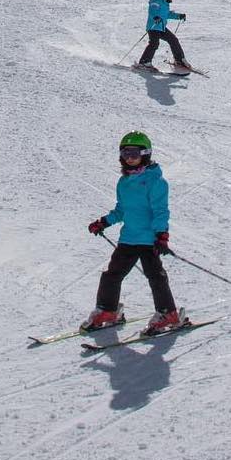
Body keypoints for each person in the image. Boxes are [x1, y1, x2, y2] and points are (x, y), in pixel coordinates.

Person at [83, 132, 183, 336]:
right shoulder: (124, 182)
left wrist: (162, 235)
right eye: (125, 153)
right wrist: (104, 222)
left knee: (155, 277)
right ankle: (108, 311)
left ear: (145, 154)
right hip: (128, 238)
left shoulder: (156, 182)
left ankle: (168, 314)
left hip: (149, 240)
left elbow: (160, 211)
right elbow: (122, 210)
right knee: (112, 275)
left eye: (134, 153)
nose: (129, 157)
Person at [134, 0, 190, 73]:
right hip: (153, 27)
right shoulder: (155, 1)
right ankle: (144, 62)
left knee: (173, 40)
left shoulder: (165, 3)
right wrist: (155, 17)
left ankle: (179, 60)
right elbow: (153, 11)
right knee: (154, 43)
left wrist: (178, 16)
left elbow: (167, 14)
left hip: (162, 27)